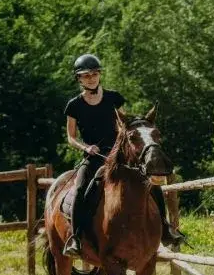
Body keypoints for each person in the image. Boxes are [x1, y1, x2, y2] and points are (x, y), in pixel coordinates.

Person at [62, 53, 184, 257]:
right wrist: (86, 147)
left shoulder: (113, 98)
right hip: (95, 156)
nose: (91, 78)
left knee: (150, 183)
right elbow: (70, 137)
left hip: (119, 154)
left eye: (94, 74)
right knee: (82, 187)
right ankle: (76, 237)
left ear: (99, 75)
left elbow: (124, 124)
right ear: (79, 79)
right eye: (86, 75)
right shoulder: (73, 105)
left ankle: (165, 229)